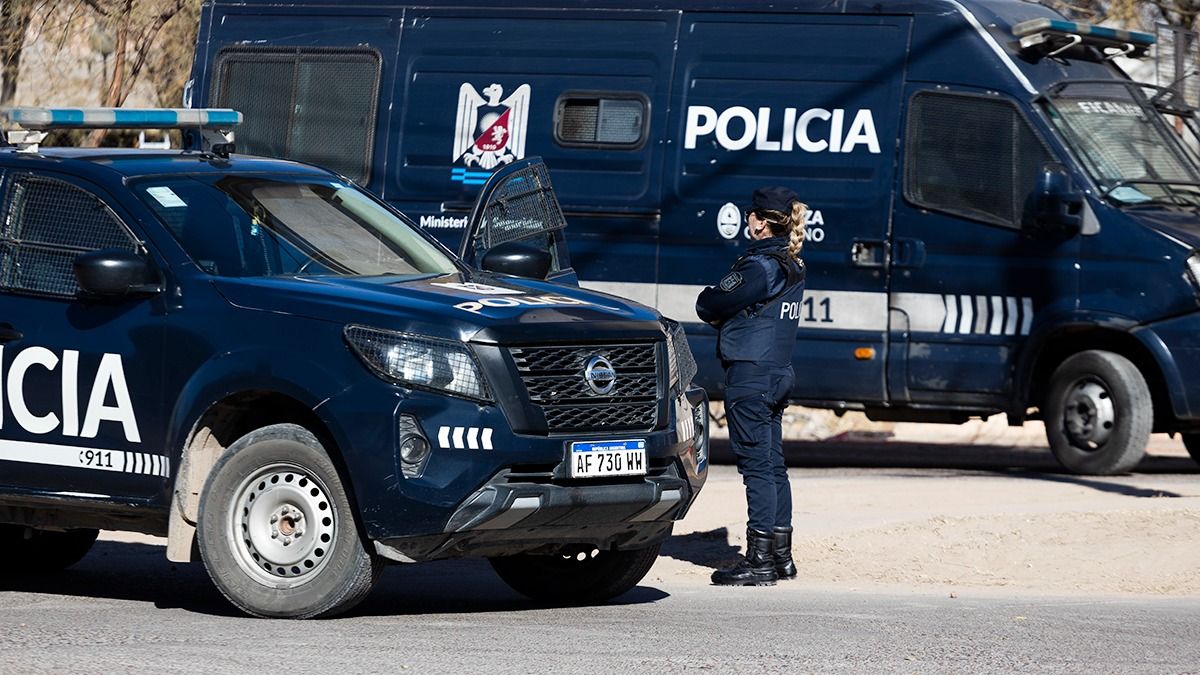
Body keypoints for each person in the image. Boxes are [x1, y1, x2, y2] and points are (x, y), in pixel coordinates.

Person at [696, 186, 807, 587]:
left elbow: (709, 304)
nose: (748, 220)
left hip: (752, 375)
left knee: (757, 468)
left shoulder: (759, 267)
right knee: (774, 465)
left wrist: (719, 306)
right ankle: (781, 556)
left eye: (751, 215)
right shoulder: (792, 264)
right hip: (778, 372)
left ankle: (759, 561)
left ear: (760, 221)